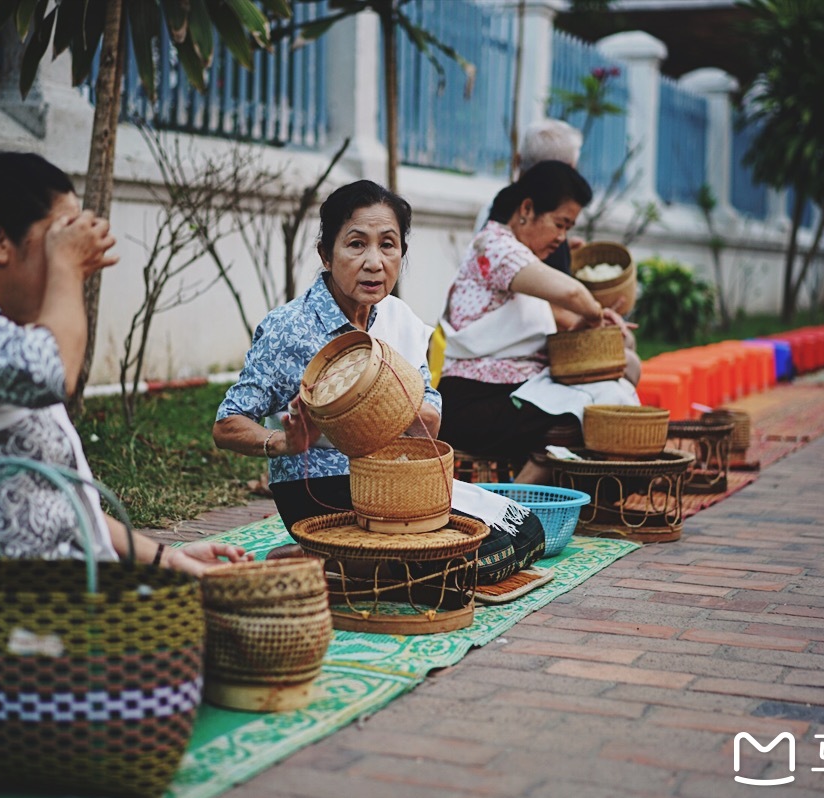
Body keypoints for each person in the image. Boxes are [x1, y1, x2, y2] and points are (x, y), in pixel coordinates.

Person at [0, 153, 250, 691]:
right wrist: (65, 270)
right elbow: (53, 373)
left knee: (213, 628)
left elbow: (54, 500)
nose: (76, 254)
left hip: (12, 617)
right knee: (180, 655)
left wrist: (171, 560)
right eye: (61, 235)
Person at [214, 180, 544, 584]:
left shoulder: (397, 320)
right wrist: (282, 443)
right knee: (461, 564)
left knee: (524, 532)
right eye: (356, 244)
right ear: (326, 254)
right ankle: (333, 555)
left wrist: (390, 399)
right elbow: (226, 424)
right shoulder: (290, 328)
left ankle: (335, 564)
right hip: (324, 492)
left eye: (388, 245)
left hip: (398, 483)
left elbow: (430, 426)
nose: (374, 262)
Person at [439, 161, 641, 485]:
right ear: (527, 208)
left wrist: (583, 328)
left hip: (509, 396)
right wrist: (594, 313)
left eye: (568, 228)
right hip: (473, 402)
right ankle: (516, 504)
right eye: (560, 224)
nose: (562, 238)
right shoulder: (495, 245)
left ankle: (534, 494)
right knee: (589, 407)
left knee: (610, 390)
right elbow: (573, 293)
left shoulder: (522, 257)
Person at [474, 119, 585, 275]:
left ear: (518, 160)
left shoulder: (495, 207)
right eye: (559, 224)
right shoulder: (508, 238)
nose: (559, 236)